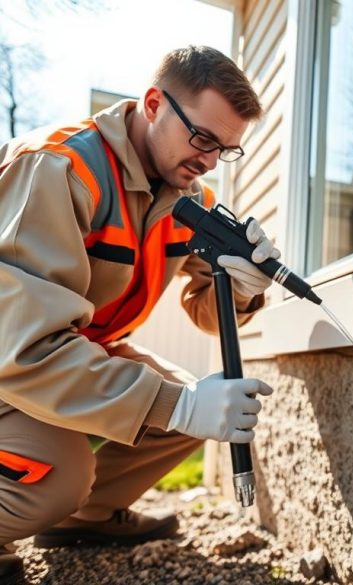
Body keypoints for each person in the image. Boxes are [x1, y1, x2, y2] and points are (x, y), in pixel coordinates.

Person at [0, 46, 279, 582]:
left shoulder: (185, 195)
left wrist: (241, 289)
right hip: (12, 352)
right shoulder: (61, 169)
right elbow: (23, 346)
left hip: (70, 348)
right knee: (58, 472)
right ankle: (53, 501)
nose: (209, 160)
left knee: (199, 404)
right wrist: (177, 405)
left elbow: (203, 311)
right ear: (154, 103)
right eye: (202, 138)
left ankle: (85, 517)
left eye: (226, 150)